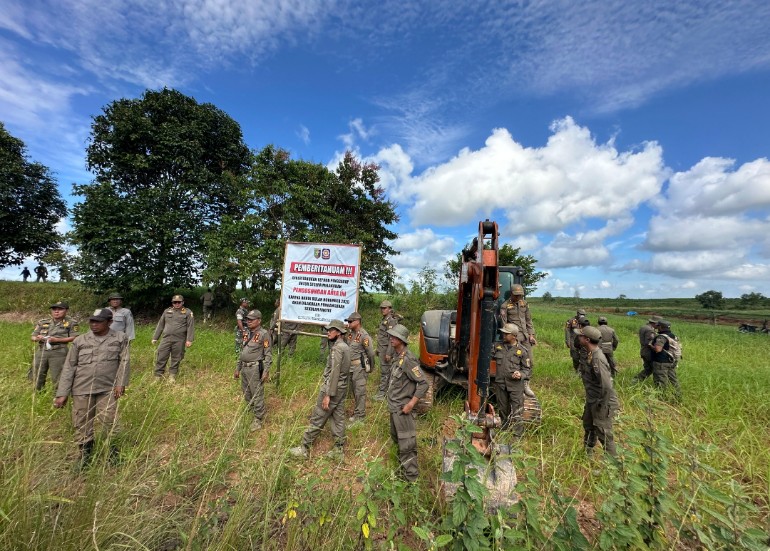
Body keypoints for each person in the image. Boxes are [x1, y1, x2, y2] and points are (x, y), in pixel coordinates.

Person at [54, 308, 130, 468]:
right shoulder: (80, 341)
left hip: (107, 389)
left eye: (98, 322)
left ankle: (112, 454)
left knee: (110, 421)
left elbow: (124, 361)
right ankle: (85, 456)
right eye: (92, 321)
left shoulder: (120, 338)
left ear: (109, 322)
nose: (94, 325)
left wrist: (121, 383)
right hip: (82, 389)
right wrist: (62, 393)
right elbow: (69, 367)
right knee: (81, 422)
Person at [289, 319, 351, 459]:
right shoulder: (345, 347)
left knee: (318, 416)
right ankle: (338, 449)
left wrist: (328, 394)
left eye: (331, 330)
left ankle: (304, 447)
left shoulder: (337, 348)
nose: (328, 332)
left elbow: (334, 372)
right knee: (338, 417)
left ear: (339, 333)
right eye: (328, 330)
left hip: (333, 388)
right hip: (341, 387)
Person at [386, 324, 428, 481]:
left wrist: (411, 404)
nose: (391, 338)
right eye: (391, 336)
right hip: (394, 408)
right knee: (397, 440)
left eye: (394, 336)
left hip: (403, 410)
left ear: (401, 340)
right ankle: (401, 472)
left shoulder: (409, 360)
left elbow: (423, 383)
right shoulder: (398, 357)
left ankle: (411, 480)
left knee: (407, 445)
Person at [575, 325, 617, 457]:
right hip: (593, 399)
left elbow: (607, 386)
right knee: (589, 426)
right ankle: (587, 455)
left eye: (581, 336)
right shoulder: (590, 354)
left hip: (601, 402)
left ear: (587, 340)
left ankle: (613, 464)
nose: (578, 337)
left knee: (604, 433)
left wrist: (601, 404)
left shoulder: (597, 358)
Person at [234, 309, 272, 431]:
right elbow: (243, 352)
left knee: (257, 393)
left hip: (255, 368)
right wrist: (238, 368)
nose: (248, 322)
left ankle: (258, 418)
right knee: (246, 392)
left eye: (251, 320)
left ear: (259, 321)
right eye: (247, 319)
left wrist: (266, 371)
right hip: (245, 368)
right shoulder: (246, 333)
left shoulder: (264, 334)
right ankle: (250, 411)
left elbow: (268, 354)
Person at [29, 301, 79, 392]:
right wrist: (38, 338)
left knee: (58, 376)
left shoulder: (71, 322)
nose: (56, 311)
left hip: (59, 351)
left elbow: (75, 337)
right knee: (37, 374)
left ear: (66, 310)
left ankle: (58, 396)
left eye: (60, 309)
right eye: (54, 309)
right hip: (42, 351)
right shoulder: (43, 322)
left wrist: (57, 340)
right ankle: (38, 393)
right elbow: (33, 337)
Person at [493, 323, 531, 436]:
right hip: (501, 384)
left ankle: (517, 435)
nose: (503, 335)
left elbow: (527, 369)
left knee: (517, 411)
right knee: (502, 409)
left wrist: (521, 374)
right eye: (503, 333)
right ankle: (503, 431)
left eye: (506, 334)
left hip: (515, 386)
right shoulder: (497, 346)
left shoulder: (522, 351)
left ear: (514, 336)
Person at [500, 283, 537, 397]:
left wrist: (531, 335)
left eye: (520, 295)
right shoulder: (505, 306)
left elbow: (528, 320)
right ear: (511, 294)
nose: (519, 297)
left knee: (529, 361)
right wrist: (508, 339)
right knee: (514, 363)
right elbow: (504, 324)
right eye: (516, 295)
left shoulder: (524, 304)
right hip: (514, 338)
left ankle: (526, 384)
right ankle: (517, 387)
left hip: (525, 337)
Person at [152, 294, 194, 382]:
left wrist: (189, 340)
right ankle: (158, 376)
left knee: (176, 357)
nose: (177, 304)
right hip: (166, 338)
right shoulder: (167, 311)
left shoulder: (187, 312)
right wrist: (155, 337)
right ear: (172, 303)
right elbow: (160, 324)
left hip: (179, 339)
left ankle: (172, 376)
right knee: (161, 356)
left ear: (183, 302)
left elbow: (190, 326)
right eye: (175, 302)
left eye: (179, 302)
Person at [344, 312, 375, 424]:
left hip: (359, 368)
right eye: (348, 321)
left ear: (357, 321)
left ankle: (360, 417)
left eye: (350, 321)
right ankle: (357, 412)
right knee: (355, 392)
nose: (348, 323)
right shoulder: (351, 334)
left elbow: (371, 354)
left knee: (360, 392)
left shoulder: (364, 336)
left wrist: (371, 367)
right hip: (351, 367)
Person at [374, 300, 400, 401]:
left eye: (384, 308)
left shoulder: (391, 321)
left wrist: (389, 353)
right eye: (381, 308)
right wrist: (378, 349)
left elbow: (391, 338)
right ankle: (384, 392)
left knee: (385, 372)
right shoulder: (384, 319)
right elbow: (382, 336)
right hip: (382, 349)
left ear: (390, 309)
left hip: (386, 351)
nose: (382, 310)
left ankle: (382, 394)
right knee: (384, 371)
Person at [651, 320, 681, 400]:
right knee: (673, 380)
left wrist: (651, 346)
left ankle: (661, 398)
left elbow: (658, 349)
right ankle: (678, 396)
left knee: (660, 380)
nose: (657, 327)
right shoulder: (673, 336)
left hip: (661, 362)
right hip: (672, 361)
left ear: (661, 327)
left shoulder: (661, 337)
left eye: (658, 326)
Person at [633, 316, 660, 383]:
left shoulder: (644, 327)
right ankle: (636, 380)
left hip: (644, 351)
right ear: (655, 323)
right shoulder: (650, 330)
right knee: (651, 368)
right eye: (658, 325)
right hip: (648, 352)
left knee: (649, 368)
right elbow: (649, 343)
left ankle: (636, 380)